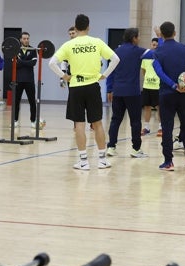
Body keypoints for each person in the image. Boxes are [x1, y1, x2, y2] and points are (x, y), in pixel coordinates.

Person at [48, 13, 120, 171]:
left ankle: (83, 162)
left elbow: (52, 62)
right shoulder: (97, 42)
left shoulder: (69, 45)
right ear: (88, 27)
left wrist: (64, 76)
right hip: (93, 86)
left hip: (76, 88)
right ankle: (102, 160)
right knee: (97, 123)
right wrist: (104, 75)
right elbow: (115, 59)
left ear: (75, 26)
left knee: (79, 124)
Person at [152, 21, 185, 171]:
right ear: (174, 33)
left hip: (166, 94)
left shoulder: (158, 51)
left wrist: (173, 85)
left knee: (167, 127)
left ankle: (168, 162)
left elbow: (159, 72)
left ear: (162, 34)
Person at [105, 27, 153, 159]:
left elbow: (110, 72)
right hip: (132, 92)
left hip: (118, 92)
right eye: (138, 37)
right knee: (135, 121)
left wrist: (109, 89)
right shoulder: (138, 51)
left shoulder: (116, 51)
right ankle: (136, 149)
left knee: (115, 120)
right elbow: (155, 54)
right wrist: (160, 38)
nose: (139, 39)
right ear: (134, 38)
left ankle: (111, 147)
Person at [13, 32, 38, 128]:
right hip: (18, 80)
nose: (26, 40)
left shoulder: (33, 50)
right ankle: (15, 120)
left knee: (32, 101)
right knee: (16, 102)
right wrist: (26, 62)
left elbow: (33, 63)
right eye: (24, 38)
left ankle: (33, 121)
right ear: (20, 39)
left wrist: (21, 61)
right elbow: (16, 64)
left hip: (29, 80)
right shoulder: (15, 50)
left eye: (27, 38)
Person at [140, 37, 161, 137]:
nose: (155, 46)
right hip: (147, 86)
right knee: (147, 107)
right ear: (150, 45)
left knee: (159, 107)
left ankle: (161, 127)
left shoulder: (160, 57)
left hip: (157, 87)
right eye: (153, 45)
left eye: (156, 45)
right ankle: (146, 127)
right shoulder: (145, 57)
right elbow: (143, 71)